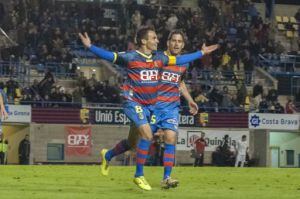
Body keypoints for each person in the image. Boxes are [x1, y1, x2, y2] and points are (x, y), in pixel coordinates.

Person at [79, 27, 218, 191]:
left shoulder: (160, 59)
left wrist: (201, 53)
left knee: (132, 142)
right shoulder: (131, 57)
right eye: (154, 38)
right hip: (133, 101)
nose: (157, 40)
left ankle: (108, 155)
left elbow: (180, 63)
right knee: (147, 134)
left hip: (151, 106)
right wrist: (90, 47)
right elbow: (111, 56)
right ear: (144, 41)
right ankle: (139, 175)